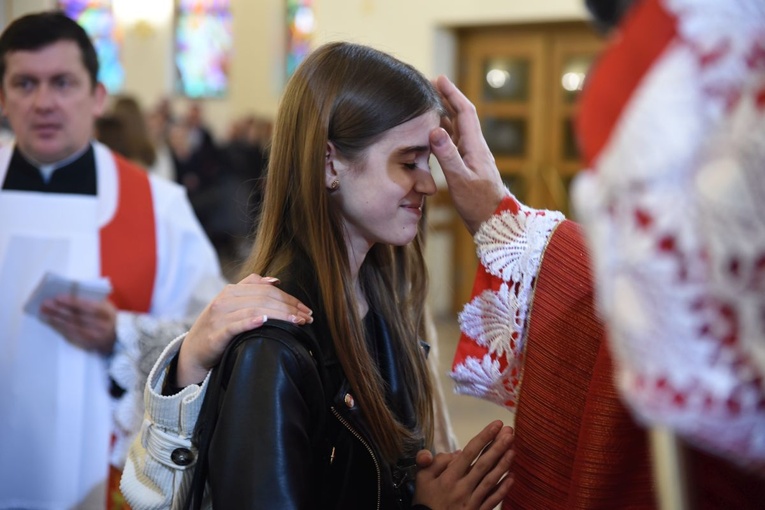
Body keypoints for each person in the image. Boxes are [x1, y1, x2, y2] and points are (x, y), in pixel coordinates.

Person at [121, 41, 515, 510]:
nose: (429, 183)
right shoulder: (274, 343)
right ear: (331, 163)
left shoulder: (379, 297)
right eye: (409, 162)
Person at [0, 11, 311, 510]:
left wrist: (121, 334)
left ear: (97, 96)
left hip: (105, 469)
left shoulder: (157, 206)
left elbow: (211, 331)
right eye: (24, 83)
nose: (43, 102)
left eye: (62, 83)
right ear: (3, 96)